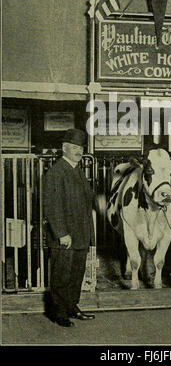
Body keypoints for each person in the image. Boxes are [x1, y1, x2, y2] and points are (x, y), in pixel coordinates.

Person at [43, 128, 96, 327]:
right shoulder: (57, 172)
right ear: (64, 148)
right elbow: (51, 205)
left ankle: (72, 306)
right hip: (65, 237)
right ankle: (59, 313)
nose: (78, 151)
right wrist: (62, 233)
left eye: (80, 147)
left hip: (80, 235)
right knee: (62, 275)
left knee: (76, 274)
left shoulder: (78, 171)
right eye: (74, 147)